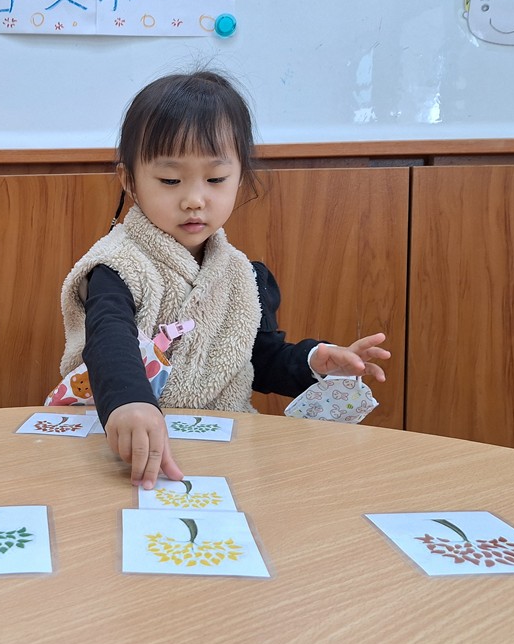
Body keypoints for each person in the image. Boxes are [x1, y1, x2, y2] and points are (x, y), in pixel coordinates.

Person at [58, 70, 390, 489]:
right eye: (170, 180)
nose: (194, 199)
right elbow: (109, 338)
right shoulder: (119, 265)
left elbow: (255, 358)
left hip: (219, 444)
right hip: (127, 440)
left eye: (216, 179)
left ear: (239, 178)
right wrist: (129, 402)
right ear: (131, 182)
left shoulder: (241, 275)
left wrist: (313, 361)